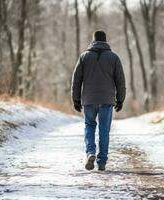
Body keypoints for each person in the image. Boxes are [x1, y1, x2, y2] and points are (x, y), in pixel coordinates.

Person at [71, 30, 126, 171]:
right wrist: (120, 100)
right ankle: (101, 162)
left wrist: (76, 100)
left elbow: (76, 81)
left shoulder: (84, 57)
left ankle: (90, 152)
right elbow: (120, 81)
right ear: (105, 41)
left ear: (93, 40)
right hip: (107, 100)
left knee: (89, 126)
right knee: (104, 130)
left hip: (88, 100)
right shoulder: (114, 58)